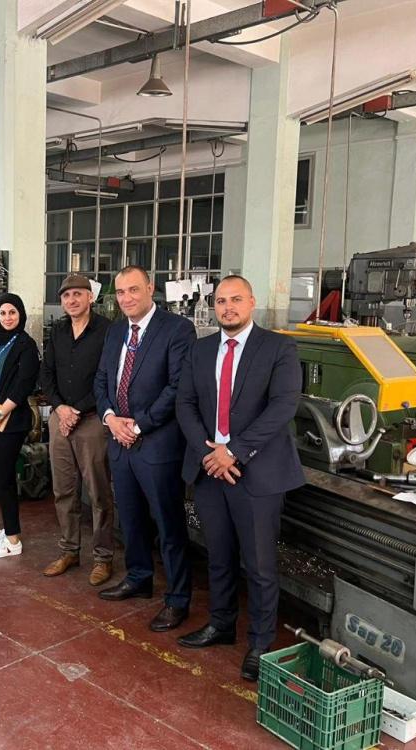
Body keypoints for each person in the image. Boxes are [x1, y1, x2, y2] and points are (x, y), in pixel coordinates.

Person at [175, 274, 304, 682]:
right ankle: (221, 623)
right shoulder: (200, 350)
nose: (227, 307)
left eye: (235, 300)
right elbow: (185, 404)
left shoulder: (278, 348)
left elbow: (283, 406)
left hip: (256, 472)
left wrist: (233, 451)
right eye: (220, 301)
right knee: (218, 554)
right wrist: (208, 453)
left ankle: (261, 642)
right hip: (210, 471)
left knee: (260, 564)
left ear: (251, 302)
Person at [93, 266, 196, 633]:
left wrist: (137, 425)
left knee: (168, 524)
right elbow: (102, 379)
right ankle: (138, 577)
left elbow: (177, 386)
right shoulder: (115, 330)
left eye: (133, 290)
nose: (126, 298)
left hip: (156, 444)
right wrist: (110, 418)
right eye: (120, 292)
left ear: (150, 288)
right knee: (131, 518)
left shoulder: (177, 329)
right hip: (120, 443)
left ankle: (178, 599)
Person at [39, 274, 114, 586]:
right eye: (66, 295)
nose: (72, 300)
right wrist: (60, 408)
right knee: (63, 489)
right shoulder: (58, 331)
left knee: (98, 492)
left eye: (78, 294)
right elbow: (46, 373)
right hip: (61, 419)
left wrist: (77, 410)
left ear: (90, 297)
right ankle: (69, 550)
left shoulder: (107, 331)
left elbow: (107, 378)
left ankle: (103, 557)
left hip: (92, 421)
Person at [0, 293, 40, 559]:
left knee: (3, 478)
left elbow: (23, 385)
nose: (8, 317)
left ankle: (13, 541)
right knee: (0, 477)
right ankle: (7, 528)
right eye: (3, 313)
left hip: (11, 421)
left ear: (20, 314)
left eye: (12, 312)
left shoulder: (26, 345)